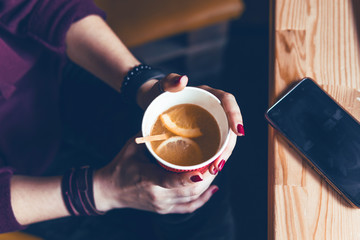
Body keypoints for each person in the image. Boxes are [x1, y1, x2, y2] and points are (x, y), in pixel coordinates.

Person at [0, 0, 244, 239]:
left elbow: (42, 5)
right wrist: (103, 192)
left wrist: (143, 86)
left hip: (48, 74)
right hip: (19, 187)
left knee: (193, 189)